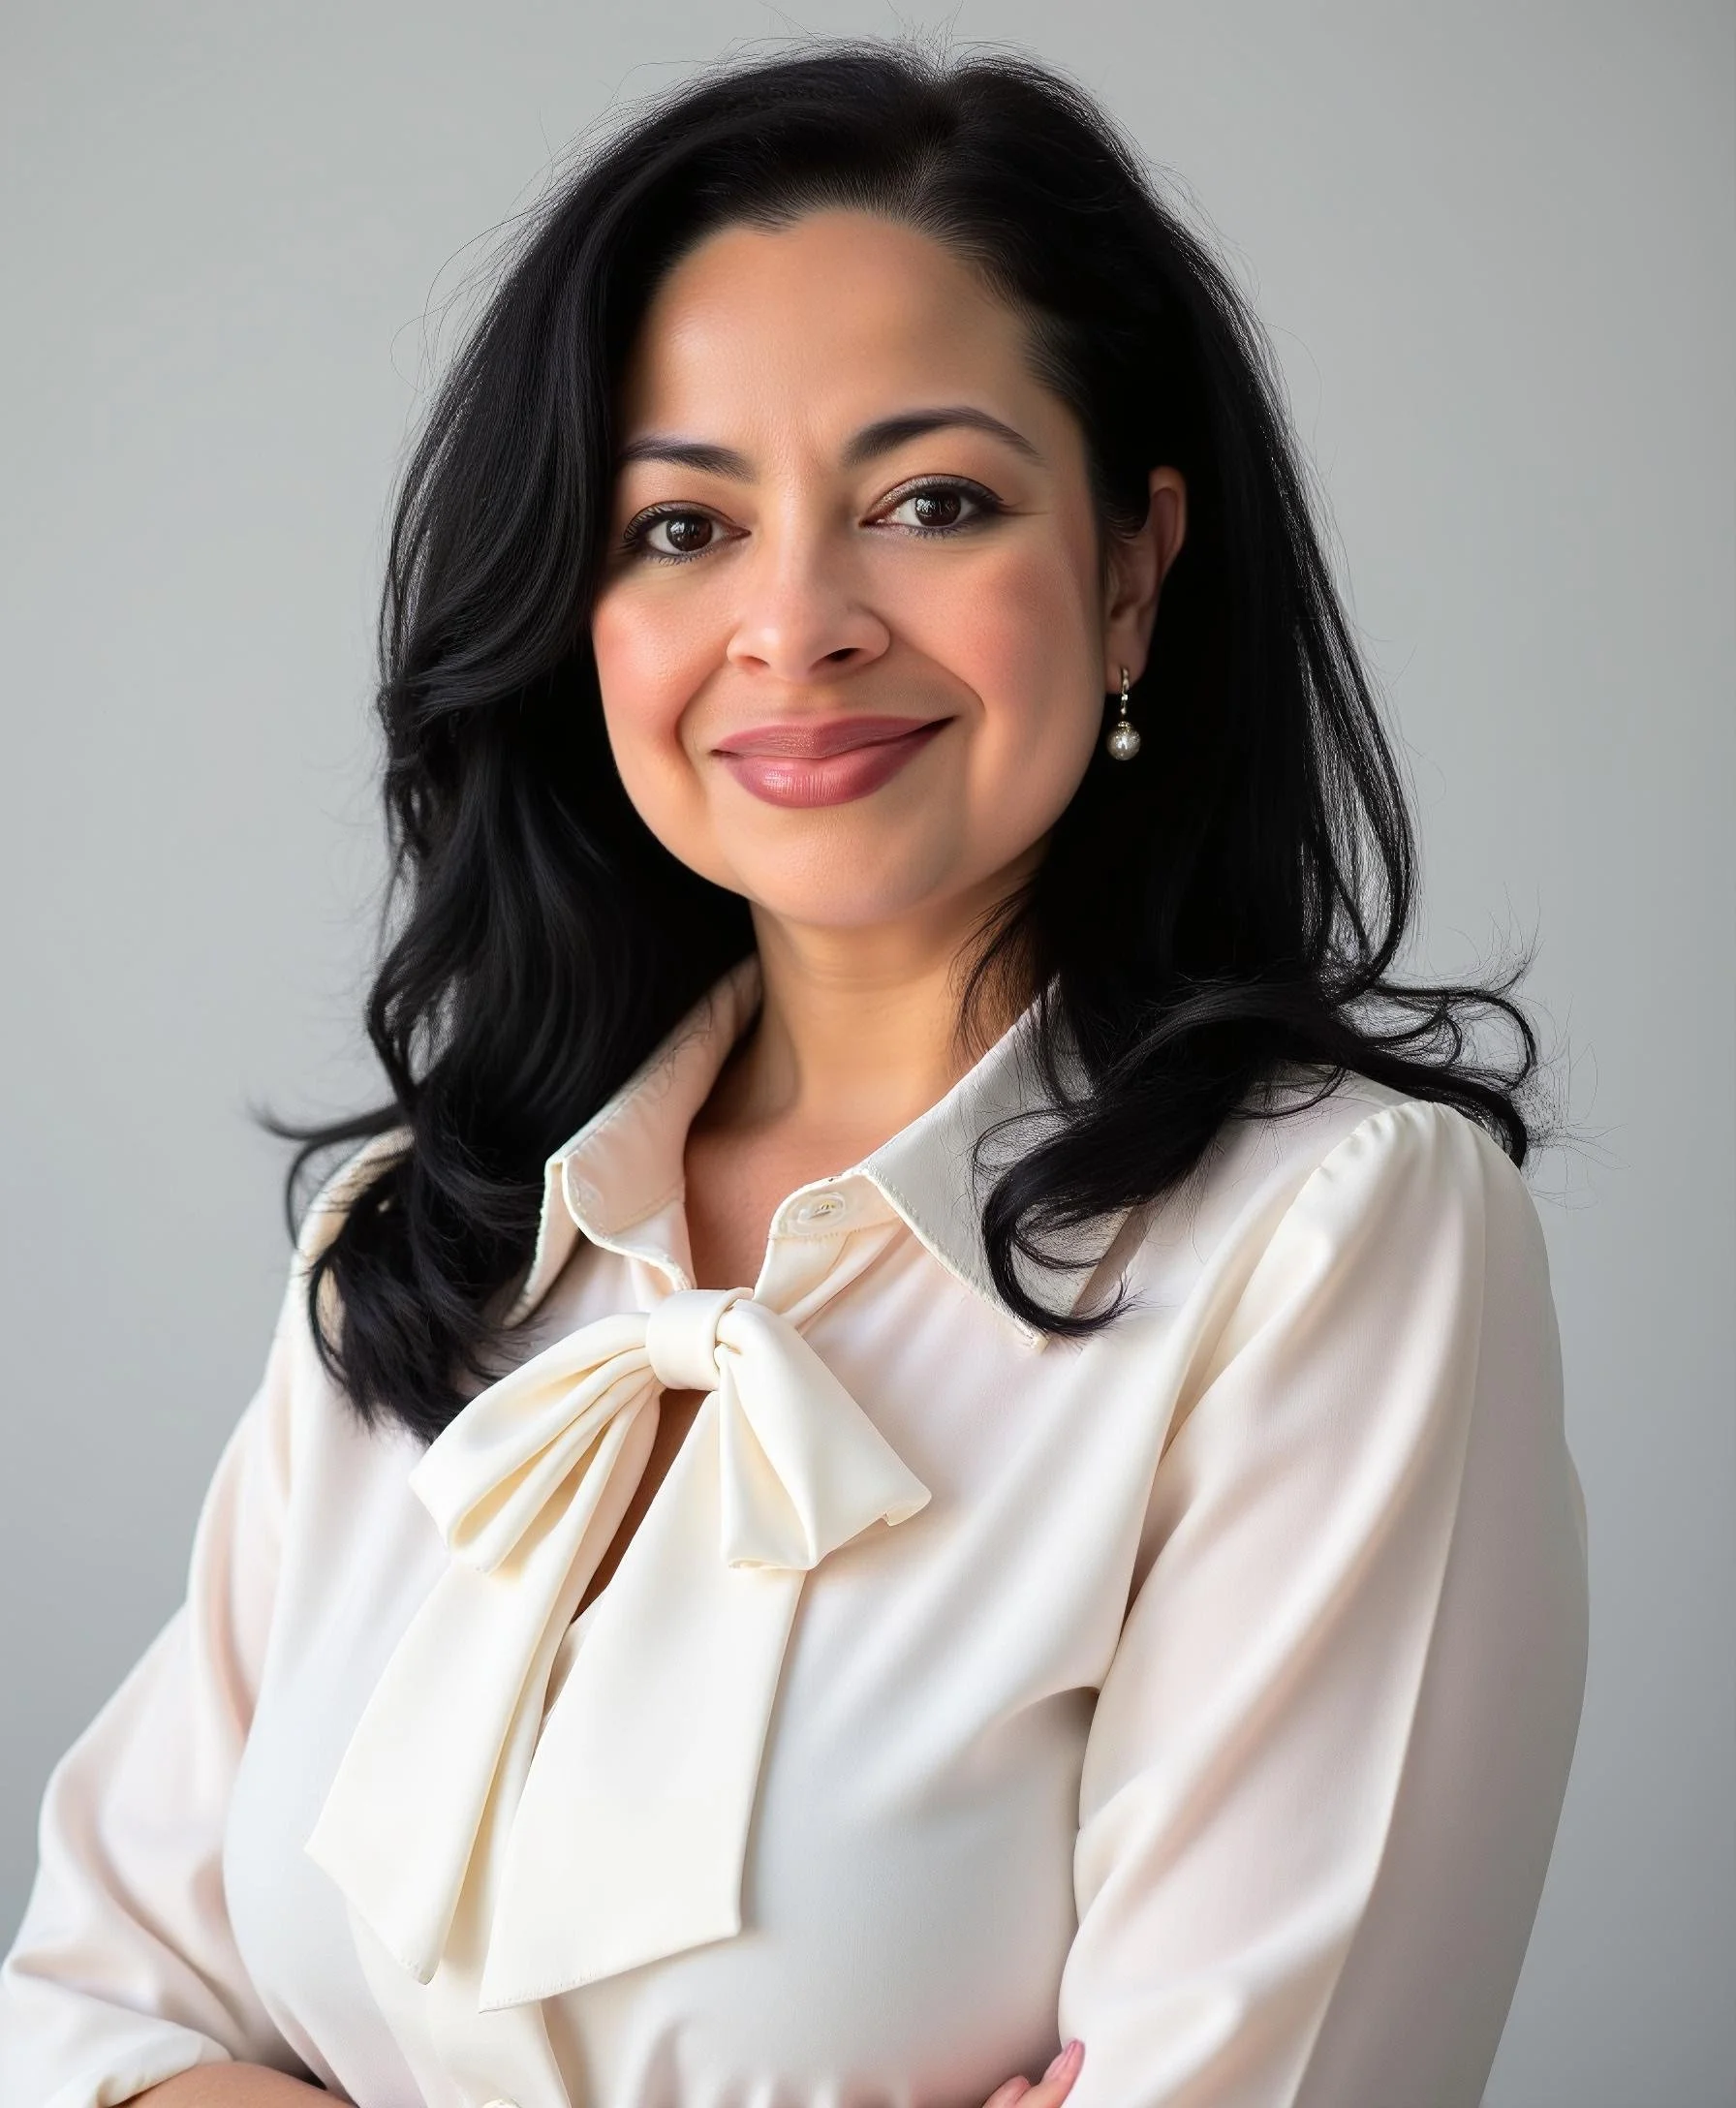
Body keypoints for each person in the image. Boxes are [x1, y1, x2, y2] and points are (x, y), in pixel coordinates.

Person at [0, 40, 1590, 2108]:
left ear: (1127, 566)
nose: (792, 622)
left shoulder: (1326, 1239)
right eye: (679, 524)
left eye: (929, 501)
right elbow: (72, 2015)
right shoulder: (430, 1225)